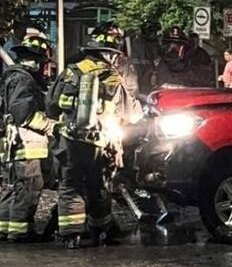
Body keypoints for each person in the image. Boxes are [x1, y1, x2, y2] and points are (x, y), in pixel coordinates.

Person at [48, 24, 142, 248]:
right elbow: (132, 114)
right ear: (109, 54)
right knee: (98, 186)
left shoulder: (71, 71)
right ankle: (100, 230)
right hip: (99, 144)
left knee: (70, 186)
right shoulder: (112, 77)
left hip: (69, 141)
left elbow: (51, 105)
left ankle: (71, 235)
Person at [0, 35, 58, 242]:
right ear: (34, 59)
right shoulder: (23, 79)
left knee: (16, 187)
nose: (43, 67)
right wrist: (52, 125)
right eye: (42, 62)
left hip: (15, 143)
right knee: (30, 187)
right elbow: (24, 114)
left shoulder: (13, 77)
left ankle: (5, 228)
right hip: (27, 144)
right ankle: (20, 231)